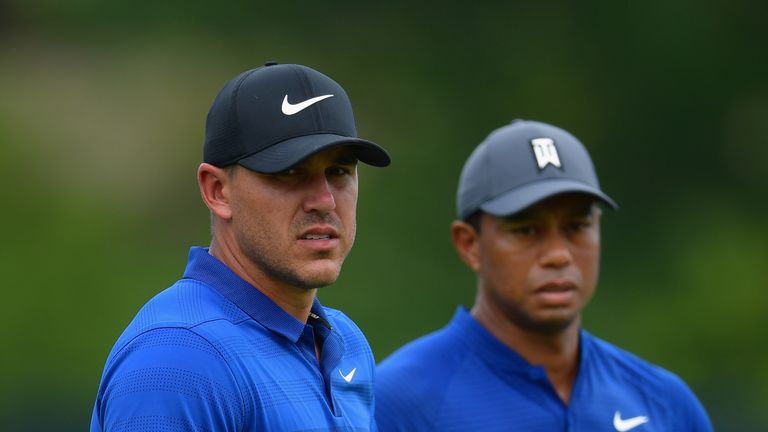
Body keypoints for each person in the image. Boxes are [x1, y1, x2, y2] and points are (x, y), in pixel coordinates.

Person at [90, 62, 390, 431]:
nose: (325, 200)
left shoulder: (345, 341)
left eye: (339, 171)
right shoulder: (177, 358)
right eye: (290, 172)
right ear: (218, 191)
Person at [375, 119, 712, 431]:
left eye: (577, 227)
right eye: (526, 230)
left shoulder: (664, 402)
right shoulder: (399, 401)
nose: (558, 255)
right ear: (469, 244)